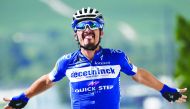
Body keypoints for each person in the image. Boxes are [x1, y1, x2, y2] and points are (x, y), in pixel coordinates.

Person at [3, 7, 187, 109]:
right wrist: (24, 97)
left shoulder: (116, 57)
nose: (88, 30)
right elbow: (47, 80)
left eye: (93, 25)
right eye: (82, 26)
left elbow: (138, 75)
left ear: (101, 32)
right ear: (76, 34)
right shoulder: (67, 62)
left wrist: (165, 89)